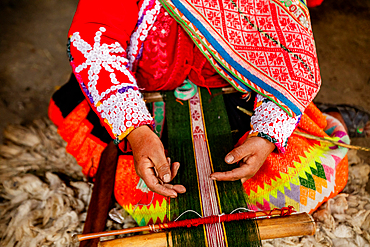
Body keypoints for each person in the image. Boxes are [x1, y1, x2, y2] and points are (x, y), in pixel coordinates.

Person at [49, 0, 369, 226]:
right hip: (140, 95)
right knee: (146, 198)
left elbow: (287, 41)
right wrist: (137, 132)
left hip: (238, 91)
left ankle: (324, 116)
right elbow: (94, 36)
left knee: (307, 180)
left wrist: (268, 133)